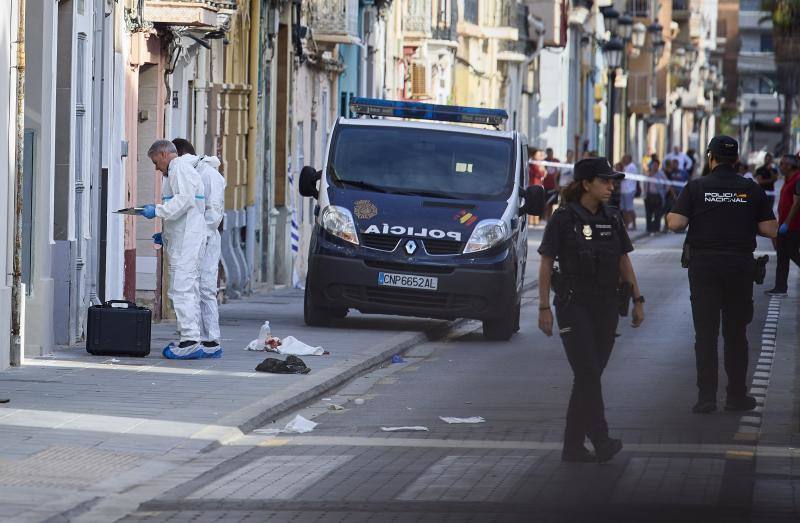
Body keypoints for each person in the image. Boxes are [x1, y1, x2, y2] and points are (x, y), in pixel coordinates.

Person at [538, 157, 645, 463]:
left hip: (607, 305)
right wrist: (544, 306)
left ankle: (572, 447)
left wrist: (638, 300)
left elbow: (624, 260)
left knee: (590, 375)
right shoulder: (563, 218)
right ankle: (600, 438)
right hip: (574, 304)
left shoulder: (612, 217)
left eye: (613, 181)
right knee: (587, 372)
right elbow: (546, 261)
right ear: (586, 184)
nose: (612, 186)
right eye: (605, 181)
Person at [666, 136, 777, 414]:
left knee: (705, 335)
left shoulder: (696, 187)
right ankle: (736, 397)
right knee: (736, 334)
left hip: (704, 268)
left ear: (710, 157)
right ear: (736, 160)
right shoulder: (750, 189)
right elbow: (770, 229)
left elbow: (676, 223)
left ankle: (706, 399)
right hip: (739, 268)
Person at [140, 140, 207, 359]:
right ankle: (190, 337)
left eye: (155, 161)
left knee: (181, 288)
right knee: (185, 288)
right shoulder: (177, 172)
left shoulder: (179, 168)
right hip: (184, 238)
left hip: (187, 240)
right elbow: (184, 207)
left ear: (163, 153)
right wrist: (165, 233)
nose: (156, 167)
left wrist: (158, 211)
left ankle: (190, 340)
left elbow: (185, 201)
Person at [172, 138, 227, 357]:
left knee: (203, 288)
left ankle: (209, 339)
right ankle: (198, 337)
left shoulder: (209, 175)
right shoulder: (193, 172)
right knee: (196, 287)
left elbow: (213, 214)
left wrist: (196, 237)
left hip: (205, 238)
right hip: (198, 237)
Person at [765, 154, 800, 296]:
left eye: (783, 164)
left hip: (793, 226)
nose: (780, 166)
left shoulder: (798, 179)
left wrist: (786, 223)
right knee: (782, 256)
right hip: (785, 225)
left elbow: (797, 203)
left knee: (791, 253)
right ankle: (780, 288)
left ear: (790, 166)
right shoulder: (788, 179)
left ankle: (780, 287)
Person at [644, 159, 668, 234]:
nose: (655, 167)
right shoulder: (648, 174)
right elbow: (645, 184)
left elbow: (667, 184)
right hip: (649, 196)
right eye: (653, 165)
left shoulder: (661, 174)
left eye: (656, 165)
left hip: (658, 196)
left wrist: (664, 192)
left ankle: (656, 229)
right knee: (648, 214)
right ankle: (649, 229)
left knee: (657, 214)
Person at [619, 155, 638, 230]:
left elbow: (623, 176)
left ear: (629, 159)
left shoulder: (631, 167)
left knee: (629, 209)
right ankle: (626, 224)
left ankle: (633, 224)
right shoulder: (626, 166)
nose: (623, 159)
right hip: (623, 190)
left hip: (629, 190)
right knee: (624, 209)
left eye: (624, 158)